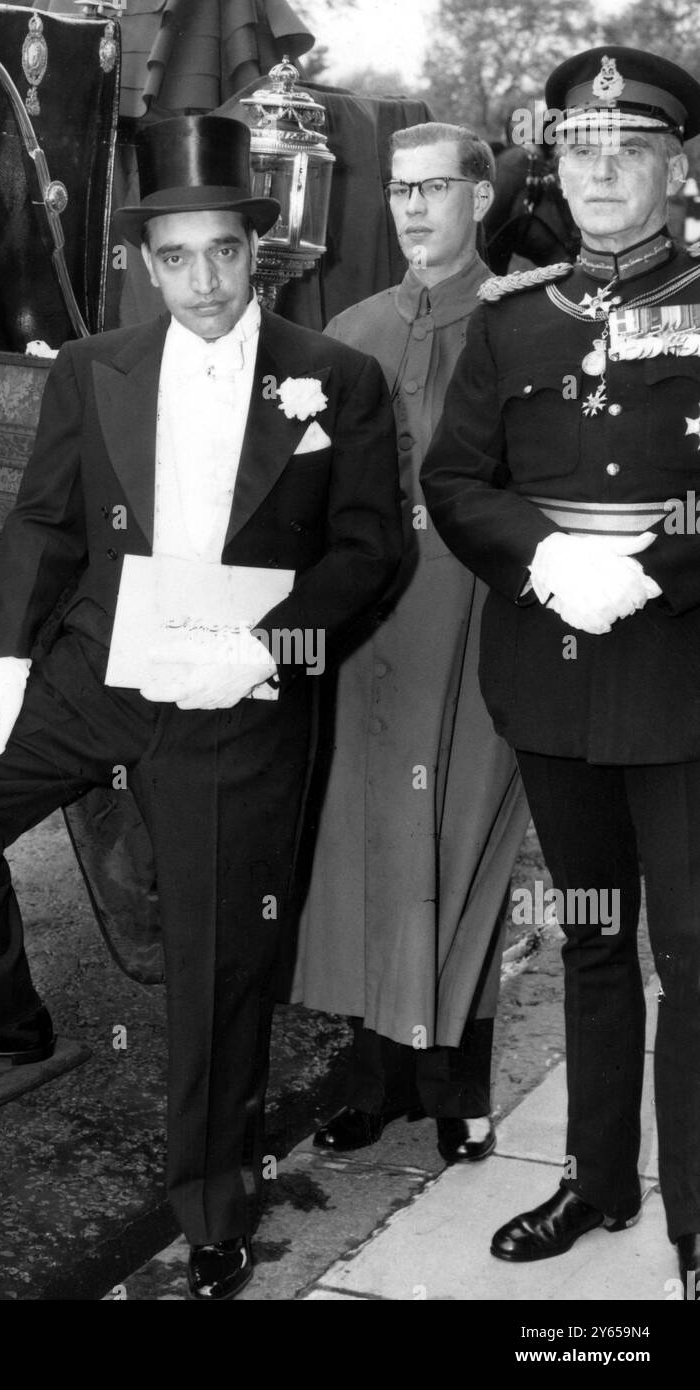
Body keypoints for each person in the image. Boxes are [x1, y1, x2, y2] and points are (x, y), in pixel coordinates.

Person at [0, 115, 402, 1301]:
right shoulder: (91, 367)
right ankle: (0, 1017)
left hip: (235, 702)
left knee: (219, 965)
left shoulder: (338, 378)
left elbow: (372, 552)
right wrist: (3, 658)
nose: (205, 282)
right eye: (179, 258)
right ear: (147, 264)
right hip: (93, 671)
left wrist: (272, 647)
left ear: (254, 252)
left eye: (225, 253)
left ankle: (214, 1203)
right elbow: (48, 522)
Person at [421, 47, 700, 1297]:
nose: (598, 169)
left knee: (692, 958)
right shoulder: (513, 313)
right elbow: (455, 480)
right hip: (550, 666)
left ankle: (695, 1221)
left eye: (627, 148)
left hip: (683, 666)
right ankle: (597, 1176)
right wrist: (544, 562)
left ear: (676, 167)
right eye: (580, 149)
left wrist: (656, 565)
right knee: (591, 933)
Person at [292, 122, 530, 1163]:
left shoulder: (527, 319)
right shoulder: (350, 325)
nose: (414, 208)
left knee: (459, 846)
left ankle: (453, 1087)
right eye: (398, 190)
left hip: (477, 628)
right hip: (366, 633)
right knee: (360, 851)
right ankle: (371, 1079)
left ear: (481, 197)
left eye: (436, 188)